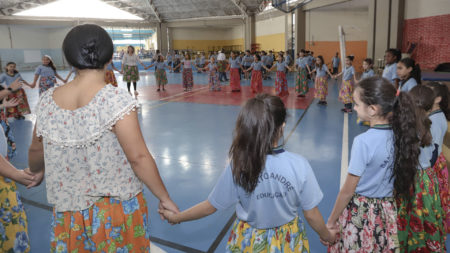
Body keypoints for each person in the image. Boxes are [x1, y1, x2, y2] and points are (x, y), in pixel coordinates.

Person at [27, 24, 179, 253]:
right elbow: (138, 157)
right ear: (109, 58)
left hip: (69, 212)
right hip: (116, 211)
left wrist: (36, 169)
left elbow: (36, 150)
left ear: (69, 59)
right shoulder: (116, 100)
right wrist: (164, 197)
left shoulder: (47, 100)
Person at [160, 94, 337, 252]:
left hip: (249, 240)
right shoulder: (299, 165)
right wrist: (328, 236)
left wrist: (178, 218)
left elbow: (210, 206)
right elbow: (311, 214)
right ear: (282, 126)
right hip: (287, 240)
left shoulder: (239, 164)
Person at [327, 77, 411, 252]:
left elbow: (348, 190)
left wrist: (332, 221)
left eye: (357, 104)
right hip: (386, 210)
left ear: (372, 109)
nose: (355, 108)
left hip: (362, 211)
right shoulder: (401, 134)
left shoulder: (363, 141)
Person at [396, 85, 446, 252]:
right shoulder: (427, 124)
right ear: (431, 105)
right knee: (425, 217)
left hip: (407, 178)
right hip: (425, 181)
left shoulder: (404, 124)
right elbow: (432, 156)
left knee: (407, 217)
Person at [427, 81, 450, 234]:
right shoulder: (436, 115)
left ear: (438, 99)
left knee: (434, 195)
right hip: (437, 160)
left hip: (433, 163)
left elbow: (433, 150)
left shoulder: (435, 119)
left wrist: (426, 170)